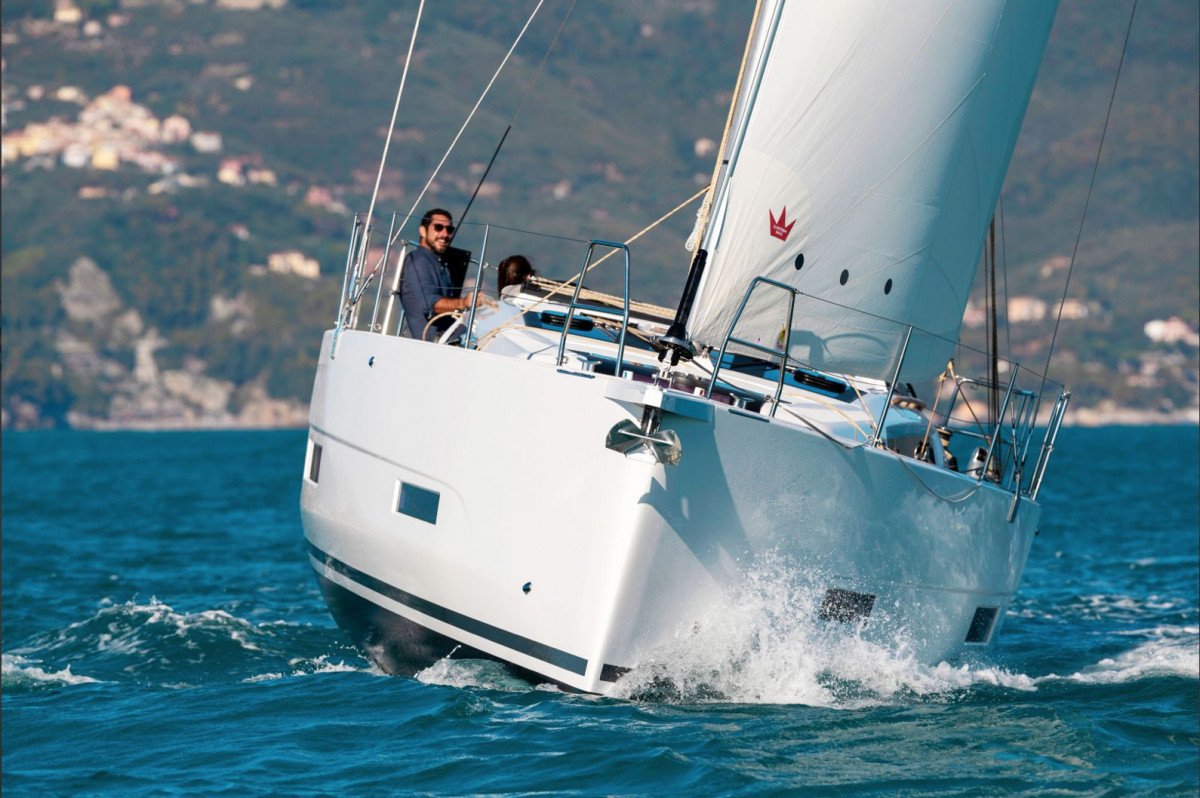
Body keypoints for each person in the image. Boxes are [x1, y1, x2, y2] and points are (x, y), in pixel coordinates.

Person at [399, 208, 487, 341]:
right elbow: (430, 305)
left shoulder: (440, 262)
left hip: (454, 335)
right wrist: (463, 302)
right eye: (438, 227)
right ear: (423, 231)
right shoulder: (418, 261)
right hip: (437, 342)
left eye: (449, 230)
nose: (445, 234)